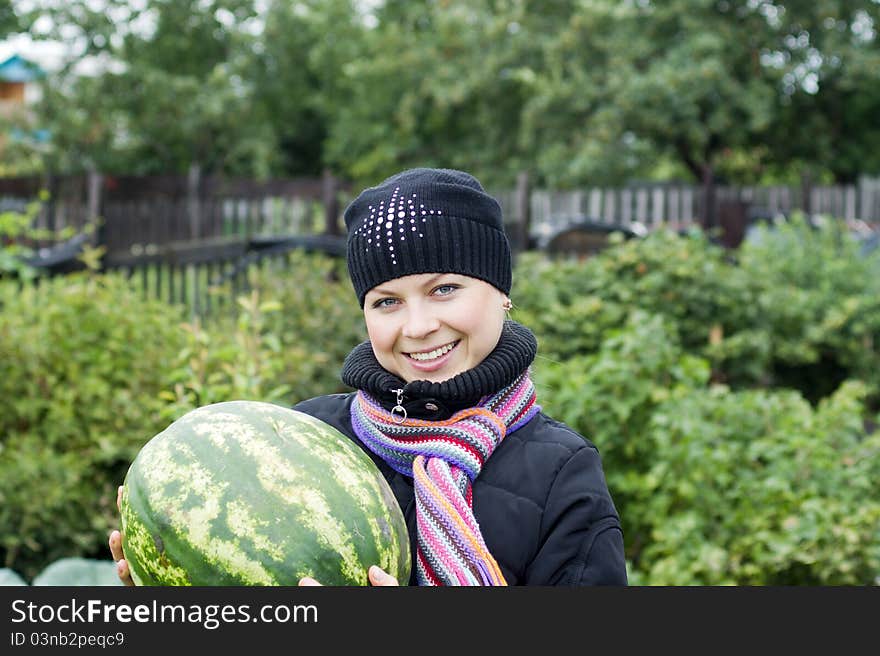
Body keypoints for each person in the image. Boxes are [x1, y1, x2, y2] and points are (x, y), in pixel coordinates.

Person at [110, 167, 628, 586]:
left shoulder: (562, 473)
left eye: (445, 289)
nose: (419, 326)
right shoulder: (305, 436)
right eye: (387, 302)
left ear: (501, 291)